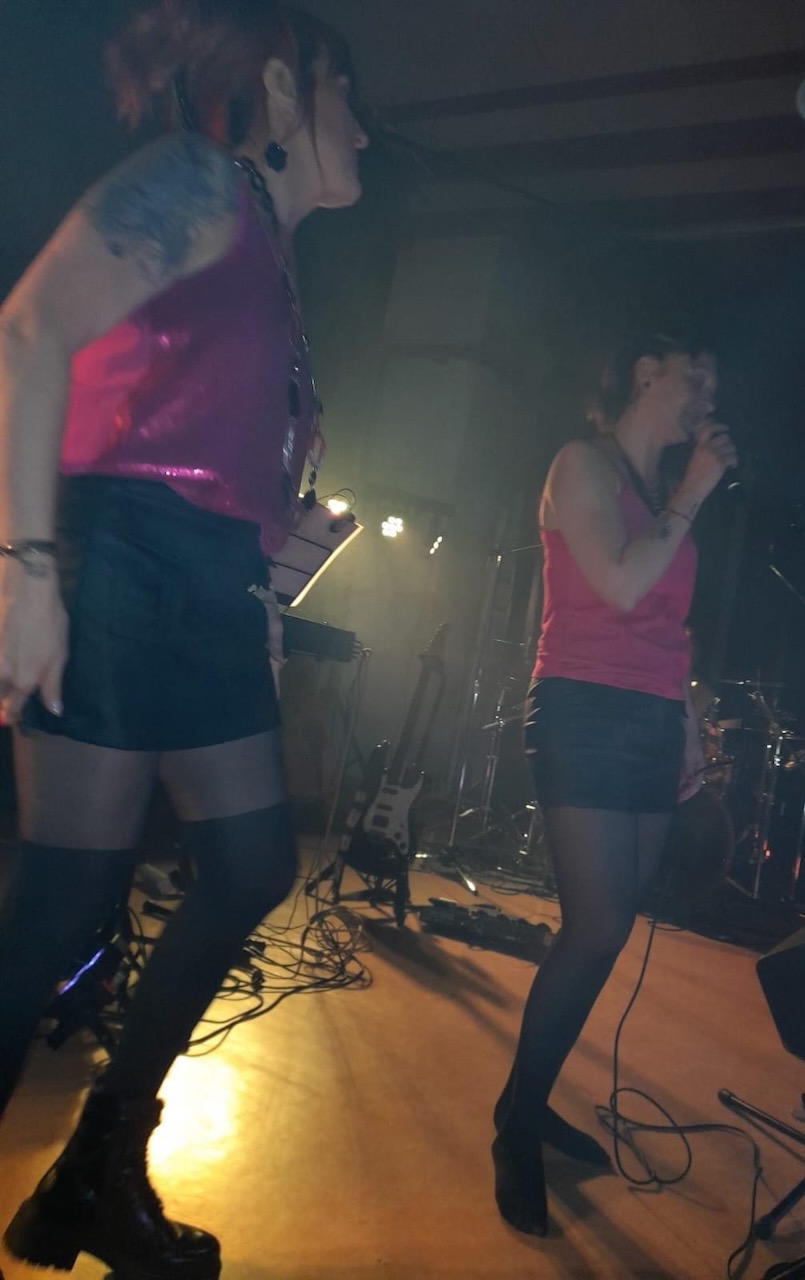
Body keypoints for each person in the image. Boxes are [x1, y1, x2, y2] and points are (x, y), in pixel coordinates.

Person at [0, 2, 367, 1276]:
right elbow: (28, 328)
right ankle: (82, 1187)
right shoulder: (201, 181)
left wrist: (263, 601)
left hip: (211, 588)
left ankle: (95, 1173)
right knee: (62, 902)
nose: (366, 127)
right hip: (119, 550)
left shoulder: (275, 258)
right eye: (347, 93)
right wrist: (25, 571)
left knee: (254, 860)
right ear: (282, 86)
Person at [492, 331, 737, 1235]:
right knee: (594, 926)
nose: (709, 393)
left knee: (609, 928)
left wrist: (686, 723)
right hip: (583, 709)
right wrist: (693, 494)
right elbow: (622, 585)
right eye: (697, 373)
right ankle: (515, 1129)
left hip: (648, 720)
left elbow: (670, 630)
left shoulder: (662, 491)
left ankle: (528, 1097)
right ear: (644, 374)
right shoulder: (582, 465)